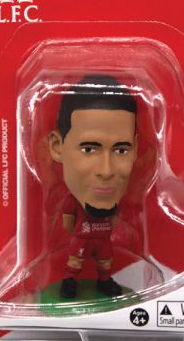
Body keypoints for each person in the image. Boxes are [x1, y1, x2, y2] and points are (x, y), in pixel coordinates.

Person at [48, 74, 138, 298]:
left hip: (102, 240)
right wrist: (80, 233)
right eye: (88, 149)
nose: (106, 171)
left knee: (105, 262)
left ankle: (104, 281)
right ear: (58, 147)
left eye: (121, 150)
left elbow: (114, 218)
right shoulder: (72, 202)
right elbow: (68, 222)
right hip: (82, 239)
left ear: (135, 149)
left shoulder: (113, 206)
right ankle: (70, 282)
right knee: (75, 261)